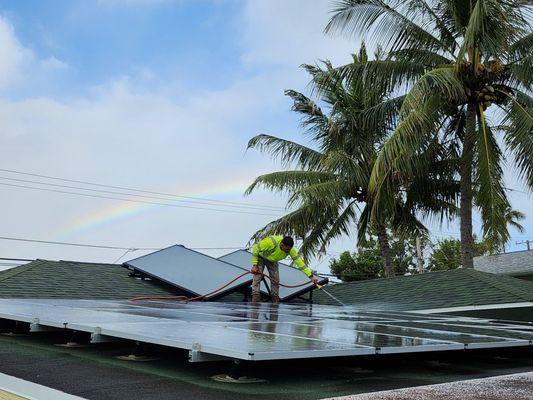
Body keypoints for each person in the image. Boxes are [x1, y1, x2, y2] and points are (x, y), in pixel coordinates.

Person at [250, 235, 318, 304]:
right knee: (257, 278)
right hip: (260, 257)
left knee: (275, 280)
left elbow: (300, 263)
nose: (288, 251)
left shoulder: (291, 250)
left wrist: (311, 276)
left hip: (272, 261)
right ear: (282, 245)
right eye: (287, 249)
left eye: (289, 249)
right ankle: (255, 301)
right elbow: (255, 249)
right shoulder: (271, 242)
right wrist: (254, 265)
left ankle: (275, 301)